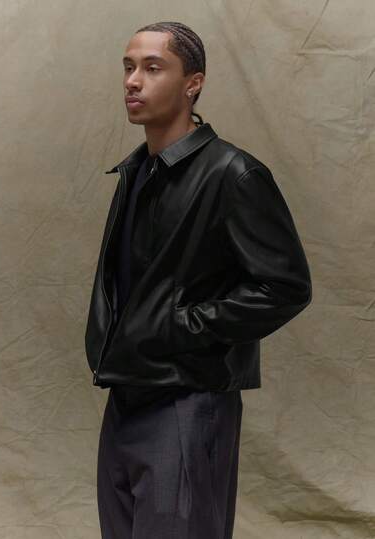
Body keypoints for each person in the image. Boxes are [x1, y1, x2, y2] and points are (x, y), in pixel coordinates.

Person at [85, 21, 312, 539]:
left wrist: (182, 326)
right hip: (126, 395)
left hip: (187, 402)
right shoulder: (137, 172)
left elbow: (286, 286)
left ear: (193, 83)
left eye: (152, 67)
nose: (133, 81)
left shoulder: (233, 174)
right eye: (128, 67)